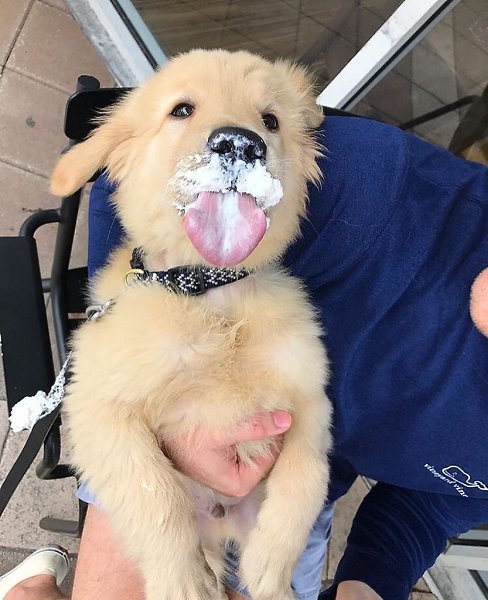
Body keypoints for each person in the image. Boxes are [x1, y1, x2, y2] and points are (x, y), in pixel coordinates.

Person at [2, 114, 488, 600]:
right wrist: (172, 441)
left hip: (298, 478)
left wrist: (367, 587)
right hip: (164, 401)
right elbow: (132, 182)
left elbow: (433, 506)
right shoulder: (386, 196)